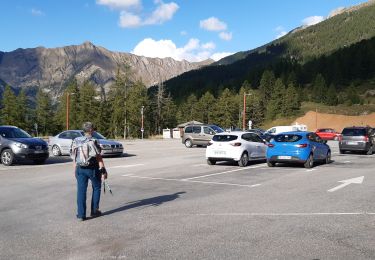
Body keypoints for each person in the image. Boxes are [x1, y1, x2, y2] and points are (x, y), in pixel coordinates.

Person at [71, 122, 108, 221]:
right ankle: (94, 211)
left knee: (81, 191)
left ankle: (81, 215)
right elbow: (98, 157)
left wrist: (75, 169)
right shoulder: (93, 141)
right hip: (92, 169)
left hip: (79, 169)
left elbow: (73, 157)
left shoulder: (76, 140)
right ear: (91, 130)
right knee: (96, 187)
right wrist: (103, 170)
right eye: (93, 129)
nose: (94, 130)